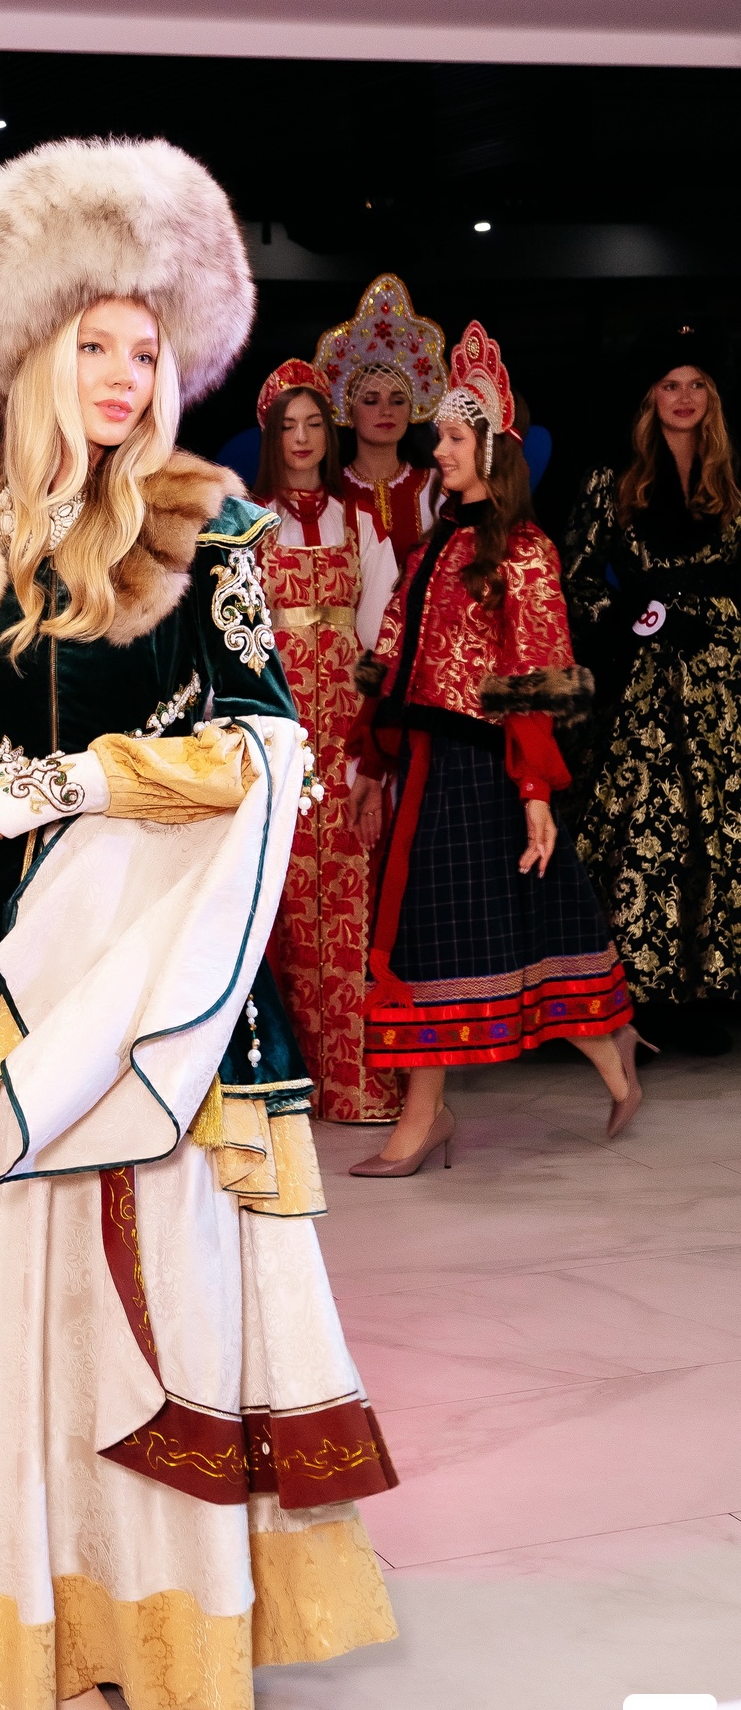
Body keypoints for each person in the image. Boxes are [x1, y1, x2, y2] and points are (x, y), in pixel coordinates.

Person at [0, 138, 398, 1710]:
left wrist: (78, 784)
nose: (123, 375)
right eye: (95, 344)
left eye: (145, 351)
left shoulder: (205, 533)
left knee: (142, 1302)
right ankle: (45, 1627)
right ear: (34, 354)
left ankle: (166, 1624)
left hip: (151, 978)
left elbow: (262, 742)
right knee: (21, 1318)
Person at [346, 322, 638, 1176]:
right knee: (459, 935)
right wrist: (370, 761)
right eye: (438, 436)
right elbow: (393, 654)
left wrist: (536, 792)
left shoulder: (525, 551)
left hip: (482, 768)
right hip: (427, 763)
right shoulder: (434, 545)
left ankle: (433, 1116)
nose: (436, 450)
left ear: (490, 451)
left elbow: (534, 678)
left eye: (451, 437)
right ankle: (590, 1060)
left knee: (471, 934)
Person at [562, 325, 741, 1057]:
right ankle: (633, 999)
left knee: (716, 831)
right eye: (671, 385)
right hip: (642, 686)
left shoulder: (734, 482)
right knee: (644, 832)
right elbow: (576, 582)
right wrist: (635, 616)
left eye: (697, 385)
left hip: (722, 685)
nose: (684, 398)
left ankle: (702, 995)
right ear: (650, 398)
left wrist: (714, 618)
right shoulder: (612, 482)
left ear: (713, 398)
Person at [251, 361, 400, 1124]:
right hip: (277, 727)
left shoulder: (362, 520)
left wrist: (372, 743)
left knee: (350, 893)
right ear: (272, 438)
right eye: (290, 426)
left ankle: (354, 1079)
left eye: (314, 424)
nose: (304, 438)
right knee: (275, 898)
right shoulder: (244, 524)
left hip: (345, 724)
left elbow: (381, 638)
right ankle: (285, 1080)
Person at [315, 273, 446, 569]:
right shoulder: (329, 491)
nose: (386, 411)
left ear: (412, 410)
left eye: (398, 401)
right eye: (371, 401)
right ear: (349, 412)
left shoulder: (436, 486)